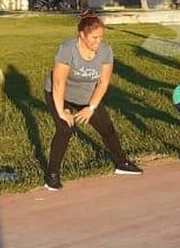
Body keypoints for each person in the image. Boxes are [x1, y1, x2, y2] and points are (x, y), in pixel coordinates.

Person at [43, 13, 142, 191]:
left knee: (107, 129)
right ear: (82, 34)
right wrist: (62, 111)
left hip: (86, 96)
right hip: (59, 94)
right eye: (94, 38)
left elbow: (103, 82)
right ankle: (52, 174)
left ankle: (122, 163)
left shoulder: (105, 51)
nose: (98, 42)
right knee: (65, 128)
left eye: (101, 37)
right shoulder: (67, 49)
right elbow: (59, 83)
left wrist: (91, 107)